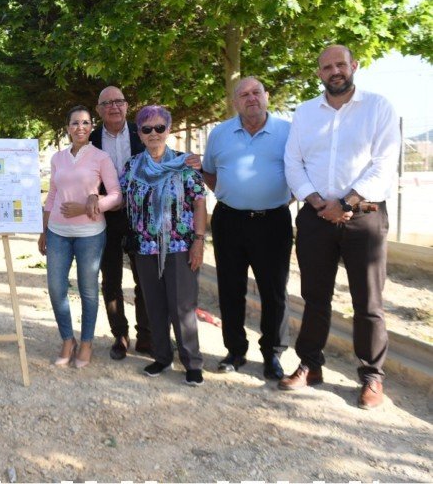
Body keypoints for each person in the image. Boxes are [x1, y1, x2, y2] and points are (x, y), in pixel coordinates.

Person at [281, 45, 399, 410]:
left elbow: (384, 163)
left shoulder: (378, 107)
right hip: (316, 217)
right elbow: (293, 162)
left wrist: (346, 202)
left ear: (354, 67)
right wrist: (317, 201)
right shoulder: (304, 113)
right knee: (315, 297)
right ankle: (310, 364)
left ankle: (371, 376)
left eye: (340, 64)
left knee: (369, 302)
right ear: (318, 73)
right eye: (327, 66)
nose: (335, 71)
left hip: (364, 216)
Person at [201, 77, 293, 380]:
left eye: (256, 92)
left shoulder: (287, 132)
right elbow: (210, 175)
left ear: (266, 96)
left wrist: (273, 199)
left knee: (274, 291)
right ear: (235, 102)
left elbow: (299, 176)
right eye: (243, 94)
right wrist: (234, 194)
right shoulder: (219, 134)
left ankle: (273, 355)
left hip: (273, 223)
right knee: (230, 289)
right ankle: (235, 351)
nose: (251, 98)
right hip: (229, 221)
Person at [120, 105, 207, 386]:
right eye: (147, 129)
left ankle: (192, 362)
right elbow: (119, 198)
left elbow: (199, 202)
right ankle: (162, 356)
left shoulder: (185, 164)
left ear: (168, 130)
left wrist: (199, 241)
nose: (154, 133)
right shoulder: (132, 166)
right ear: (140, 133)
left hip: (180, 246)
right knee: (154, 305)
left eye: (159, 127)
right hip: (145, 248)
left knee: (182, 306)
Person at [38, 105, 121, 368]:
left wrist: (88, 206)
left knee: (88, 290)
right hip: (58, 233)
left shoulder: (101, 158)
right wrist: (43, 230)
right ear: (67, 128)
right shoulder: (57, 158)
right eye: (75, 123)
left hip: (90, 234)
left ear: (91, 127)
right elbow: (52, 195)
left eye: (85, 123)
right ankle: (67, 339)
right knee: (56, 288)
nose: (80, 128)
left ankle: (86, 343)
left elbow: (116, 195)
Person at [90, 86, 151, 360]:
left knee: (146, 278)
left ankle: (147, 335)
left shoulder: (144, 133)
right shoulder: (90, 141)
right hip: (105, 218)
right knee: (111, 278)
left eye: (119, 102)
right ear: (99, 110)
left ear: (127, 106)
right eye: (107, 103)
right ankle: (121, 335)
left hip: (142, 217)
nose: (114, 107)